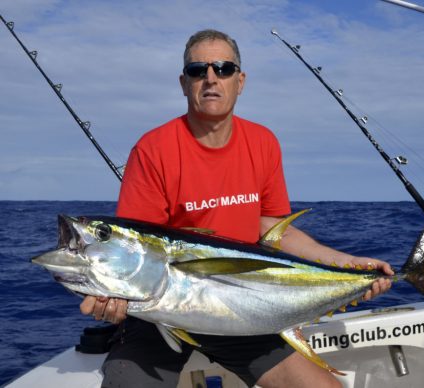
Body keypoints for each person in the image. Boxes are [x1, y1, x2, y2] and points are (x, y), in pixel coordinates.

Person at [80, 29, 393, 388]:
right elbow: (139, 251)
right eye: (198, 70)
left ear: (240, 81)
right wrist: (115, 298)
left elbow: (275, 228)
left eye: (224, 68)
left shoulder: (263, 142)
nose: (211, 78)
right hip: (160, 315)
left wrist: (347, 264)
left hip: (244, 307)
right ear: (184, 83)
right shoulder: (152, 150)